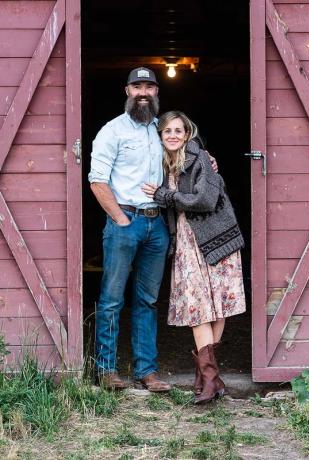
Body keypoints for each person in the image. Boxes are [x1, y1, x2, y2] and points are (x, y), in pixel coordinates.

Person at [142, 111, 246, 405]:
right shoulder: (165, 165)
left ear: (187, 134)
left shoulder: (200, 159)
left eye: (179, 130)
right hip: (188, 244)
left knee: (217, 307)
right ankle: (210, 378)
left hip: (216, 239)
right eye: (167, 132)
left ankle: (208, 378)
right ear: (160, 137)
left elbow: (205, 200)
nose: (173, 135)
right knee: (198, 307)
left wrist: (166, 196)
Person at [88, 67, 172, 392]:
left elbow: (185, 157)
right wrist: (121, 219)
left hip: (157, 224)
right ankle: (106, 371)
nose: (143, 93)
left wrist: (207, 159)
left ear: (156, 92)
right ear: (127, 91)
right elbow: (97, 180)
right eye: (137, 86)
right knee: (111, 299)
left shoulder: (163, 130)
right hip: (125, 221)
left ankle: (146, 372)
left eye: (148, 87)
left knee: (147, 301)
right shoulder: (112, 131)